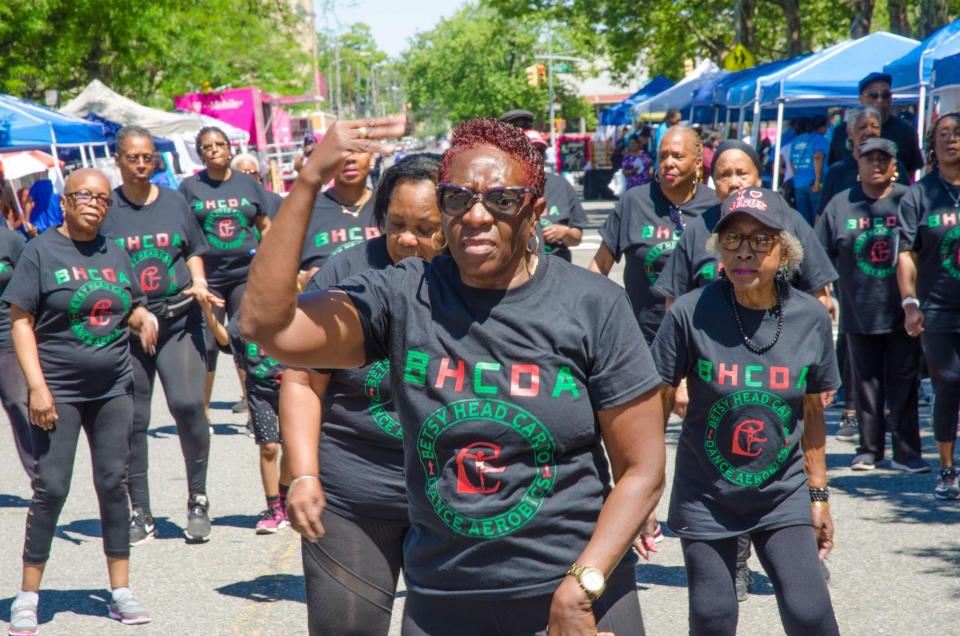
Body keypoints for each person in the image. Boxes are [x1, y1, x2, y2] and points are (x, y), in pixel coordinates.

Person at [239, 116, 666, 634]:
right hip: (444, 597)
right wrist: (308, 180)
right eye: (457, 198)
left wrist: (584, 584)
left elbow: (642, 469)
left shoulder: (594, 305)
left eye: (502, 200)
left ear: (534, 211)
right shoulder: (404, 294)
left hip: (570, 593)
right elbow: (265, 325)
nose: (477, 215)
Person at [653, 139, 837, 602]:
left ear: (785, 250)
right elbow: (652, 409)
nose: (745, 252)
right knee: (714, 615)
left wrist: (819, 495)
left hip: (783, 490)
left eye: (760, 240)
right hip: (706, 491)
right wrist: (643, 498)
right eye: (732, 239)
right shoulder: (690, 313)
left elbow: (812, 410)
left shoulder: (809, 318)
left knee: (809, 610)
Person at [282, 154, 444, 635]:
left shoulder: (474, 279)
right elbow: (301, 380)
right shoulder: (343, 274)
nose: (408, 240)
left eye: (425, 228)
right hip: (353, 496)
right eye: (396, 225)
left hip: (453, 500)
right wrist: (304, 474)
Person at [3, 169, 158, 634]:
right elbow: (20, 322)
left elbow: (126, 302)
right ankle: (28, 595)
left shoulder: (114, 251)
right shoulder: (39, 251)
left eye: (102, 198)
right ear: (66, 202)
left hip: (113, 388)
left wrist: (140, 313)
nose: (94, 203)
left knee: (114, 484)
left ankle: (121, 590)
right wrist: (37, 387)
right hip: (59, 392)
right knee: (51, 488)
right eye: (84, 195)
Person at [101, 126, 220, 545]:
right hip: (127, 327)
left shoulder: (173, 201)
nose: (140, 164)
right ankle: (141, 512)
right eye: (132, 157)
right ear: (117, 159)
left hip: (178, 319)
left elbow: (193, 250)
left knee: (188, 404)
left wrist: (200, 283)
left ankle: (198, 499)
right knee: (134, 420)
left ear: (156, 160)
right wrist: (130, 310)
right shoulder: (108, 209)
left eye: (147, 157)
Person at [816, 138, 927, 473]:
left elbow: (926, 249)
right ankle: (869, 449)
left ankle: (907, 453)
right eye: (869, 159)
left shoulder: (908, 199)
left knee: (904, 383)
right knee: (865, 386)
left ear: (895, 166)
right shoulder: (840, 204)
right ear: (858, 163)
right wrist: (824, 294)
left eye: (884, 159)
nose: (876, 164)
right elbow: (818, 253)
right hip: (858, 309)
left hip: (903, 311)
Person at [589, 125, 718, 343]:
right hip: (640, 339)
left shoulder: (715, 207)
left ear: (697, 163)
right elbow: (600, 265)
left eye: (677, 156)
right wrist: (592, 314)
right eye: (663, 156)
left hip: (702, 338)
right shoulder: (634, 202)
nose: (669, 162)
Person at [178, 127, 271, 422]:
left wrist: (267, 262)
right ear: (200, 153)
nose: (215, 149)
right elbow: (183, 235)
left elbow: (266, 225)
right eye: (208, 146)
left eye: (220, 144)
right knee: (207, 343)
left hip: (246, 275)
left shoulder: (249, 185)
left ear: (230, 148)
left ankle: (254, 409)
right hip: (208, 279)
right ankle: (202, 414)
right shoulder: (189, 187)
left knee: (246, 340)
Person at [897, 112, 960, 500]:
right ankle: (947, 468)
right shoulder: (919, 195)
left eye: (958, 133)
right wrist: (909, 302)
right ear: (931, 145)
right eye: (944, 134)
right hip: (938, 307)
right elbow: (906, 253)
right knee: (949, 382)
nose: (952, 139)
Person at [198, 296, 291, 534]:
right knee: (269, 447)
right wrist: (208, 313)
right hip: (259, 390)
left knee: (292, 448)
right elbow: (226, 339)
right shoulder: (248, 311)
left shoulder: (293, 305)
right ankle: (273, 509)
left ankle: (285, 497)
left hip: (291, 388)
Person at [298, 148, 378, 279]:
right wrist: (301, 283)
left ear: (372, 158)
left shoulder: (390, 207)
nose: (350, 158)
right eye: (342, 151)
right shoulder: (306, 210)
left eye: (359, 150)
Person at [817, 107, 909, 219]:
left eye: (875, 126)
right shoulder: (837, 172)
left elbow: (909, 206)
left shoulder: (894, 166)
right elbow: (822, 217)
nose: (869, 131)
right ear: (850, 132)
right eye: (863, 127)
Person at [828, 72, 924, 174]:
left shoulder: (906, 131)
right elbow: (834, 168)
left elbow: (911, 171)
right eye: (873, 95)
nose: (880, 100)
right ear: (861, 99)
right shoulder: (842, 131)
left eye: (885, 95)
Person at [520, 129, 586, 262]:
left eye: (540, 152)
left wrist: (565, 232)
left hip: (557, 268)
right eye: (530, 151)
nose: (536, 157)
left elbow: (577, 237)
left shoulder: (560, 185)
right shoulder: (506, 188)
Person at [0, 223, 32, 481]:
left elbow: (32, 289)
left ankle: (41, 478)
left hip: (6, 338)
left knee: (17, 403)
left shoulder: (11, 240)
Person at [787, 115, 829, 225]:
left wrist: (797, 178)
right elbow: (817, 157)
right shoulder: (820, 139)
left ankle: (805, 241)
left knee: (803, 220)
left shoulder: (796, 140)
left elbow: (791, 162)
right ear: (822, 127)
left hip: (798, 184)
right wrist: (817, 180)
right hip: (813, 183)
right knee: (818, 218)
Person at [232, 153, 285, 220]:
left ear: (258, 176)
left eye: (253, 173)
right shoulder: (229, 201)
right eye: (243, 174)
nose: (249, 177)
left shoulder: (275, 200)